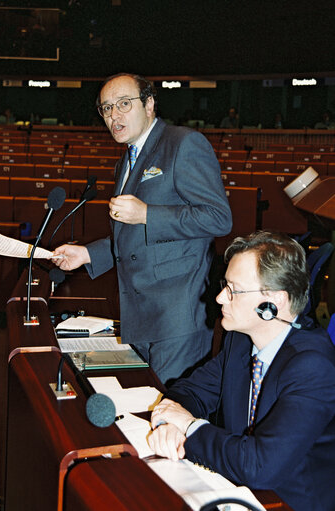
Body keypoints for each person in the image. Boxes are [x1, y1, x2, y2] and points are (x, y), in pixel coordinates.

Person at [53, 73, 232, 385]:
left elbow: (218, 218)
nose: (114, 116)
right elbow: (134, 235)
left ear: (149, 104)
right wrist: (88, 254)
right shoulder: (127, 159)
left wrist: (148, 213)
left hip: (177, 315)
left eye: (124, 104)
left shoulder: (183, 144)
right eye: (106, 108)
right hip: (141, 313)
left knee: (169, 414)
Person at [149, 230, 335, 511]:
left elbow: (261, 466)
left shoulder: (313, 367)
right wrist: (168, 425)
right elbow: (190, 392)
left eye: (233, 290)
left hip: (288, 502)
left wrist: (188, 425)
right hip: (239, 488)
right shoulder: (240, 339)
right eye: (225, 285)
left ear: (273, 303)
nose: (221, 298)